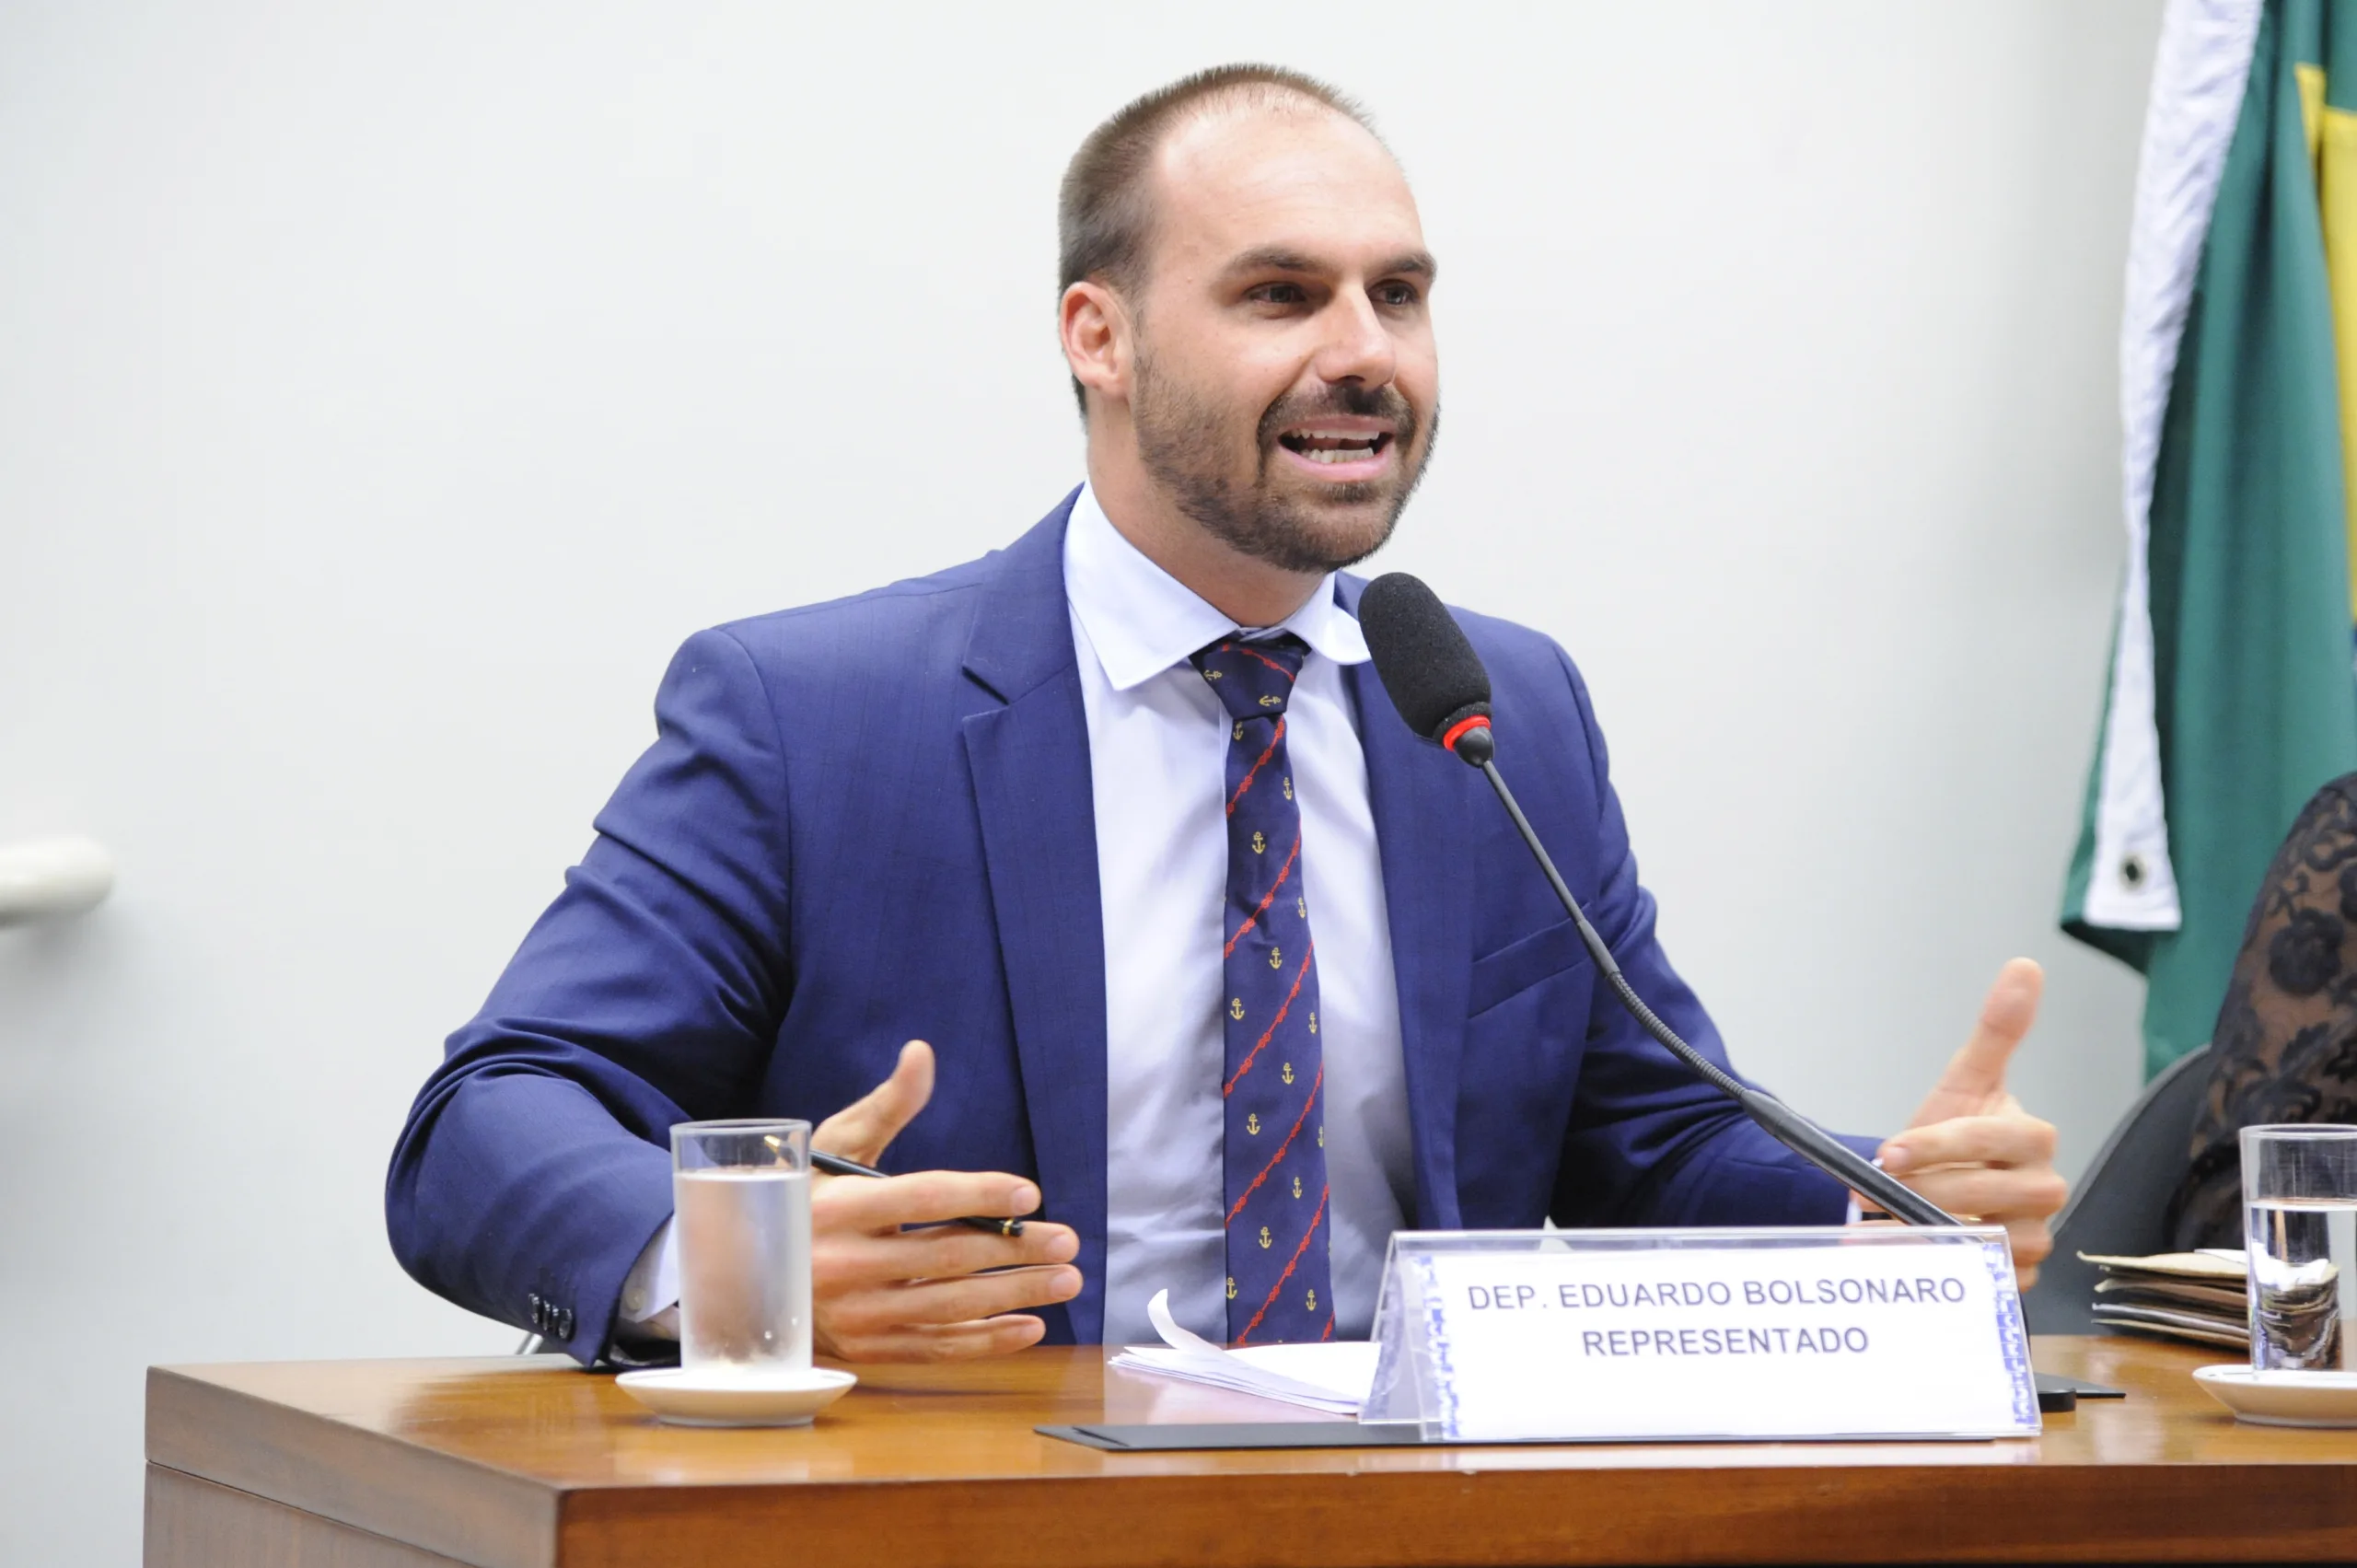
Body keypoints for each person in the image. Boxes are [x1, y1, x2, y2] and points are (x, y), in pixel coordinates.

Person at [387, 64, 2068, 1366]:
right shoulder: (814, 715)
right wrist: (741, 1257)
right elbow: (484, 1123)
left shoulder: (1495, 709)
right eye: (1281, 295)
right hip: (970, 1509)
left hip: (1414, 1510)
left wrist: (1878, 1203)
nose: (1369, 356)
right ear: (1097, 336)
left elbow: (1643, 1137)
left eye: (1398, 295)